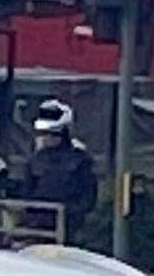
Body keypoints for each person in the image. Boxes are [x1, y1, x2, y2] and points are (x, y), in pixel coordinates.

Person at [21, 100, 98, 244]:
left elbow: (88, 193)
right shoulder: (35, 159)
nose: (47, 138)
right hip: (39, 226)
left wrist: (74, 213)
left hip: (70, 226)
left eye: (52, 134)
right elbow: (27, 190)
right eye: (44, 133)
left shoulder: (80, 159)